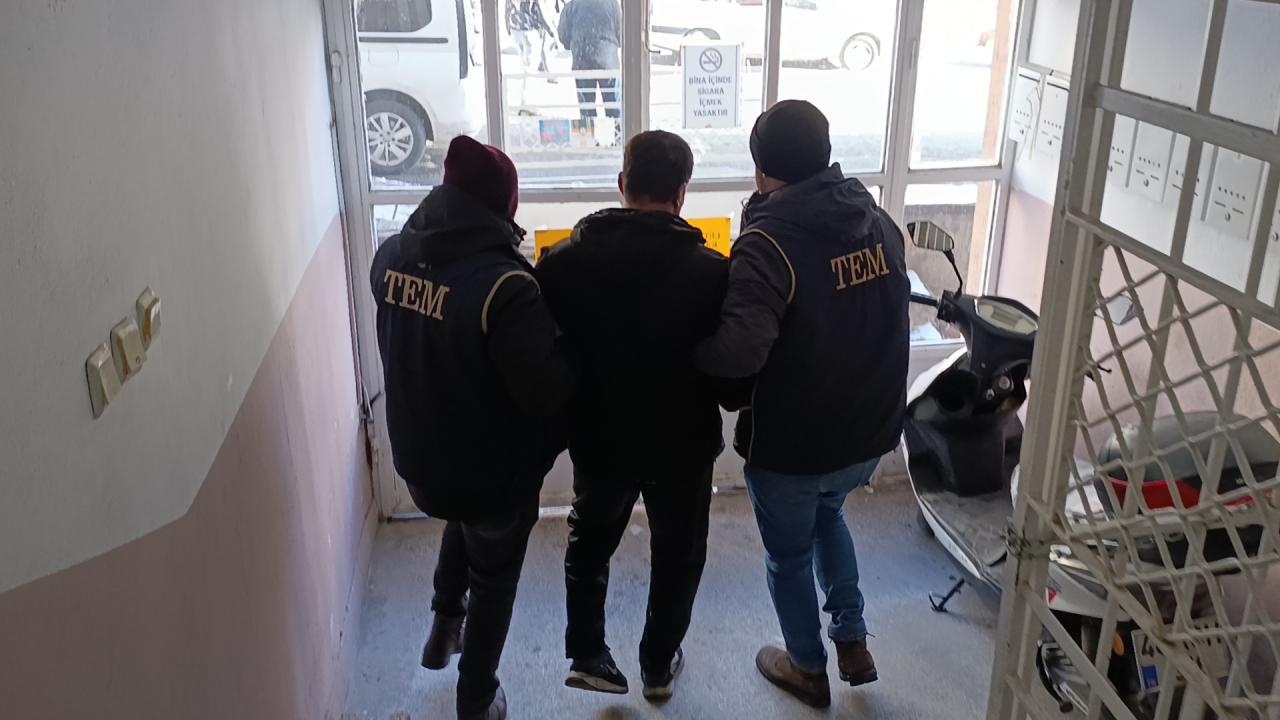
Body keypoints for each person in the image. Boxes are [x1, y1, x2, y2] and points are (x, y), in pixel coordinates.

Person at [694, 100, 911, 709]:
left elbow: (739, 353)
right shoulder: (875, 219)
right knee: (828, 516)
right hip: (868, 433)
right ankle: (852, 639)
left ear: (762, 168)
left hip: (797, 445)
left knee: (788, 556)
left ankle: (807, 667)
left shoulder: (769, 242)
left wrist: (689, 356)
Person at [370, 135, 575, 720]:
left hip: (418, 458)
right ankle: (477, 695)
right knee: (494, 576)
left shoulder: (391, 255)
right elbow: (546, 392)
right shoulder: (507, 287)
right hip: (490, 476)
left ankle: (443, 627)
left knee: (466, 519)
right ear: (503, 204)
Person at [535, 130, 729, 701]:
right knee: (679, 553)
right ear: (682, 193)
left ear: (622, 185)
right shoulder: (712, 273)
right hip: (683, 442)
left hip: (599, 437)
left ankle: (588, 653)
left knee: (589, 542)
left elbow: (545, 354)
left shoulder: (561, 265)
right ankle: (658, 664)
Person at [556, 0, 621, 122]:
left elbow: (563, 34)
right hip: (608, 61)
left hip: (582, 60)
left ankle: (588, 132)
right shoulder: (612, 3)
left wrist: (572, 45)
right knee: (613, 105)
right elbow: (621, 31)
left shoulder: (573, 5)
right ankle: (616, 131)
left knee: (586, 107)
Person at [505, 0, 553, 72]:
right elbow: (538, 14)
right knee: (526, 51)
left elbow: (507, 10)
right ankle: (528, 69)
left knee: (523, 51)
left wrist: (507, 25)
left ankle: (526, 69)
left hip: (515, 27)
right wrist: (544, 28)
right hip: (525, 27)